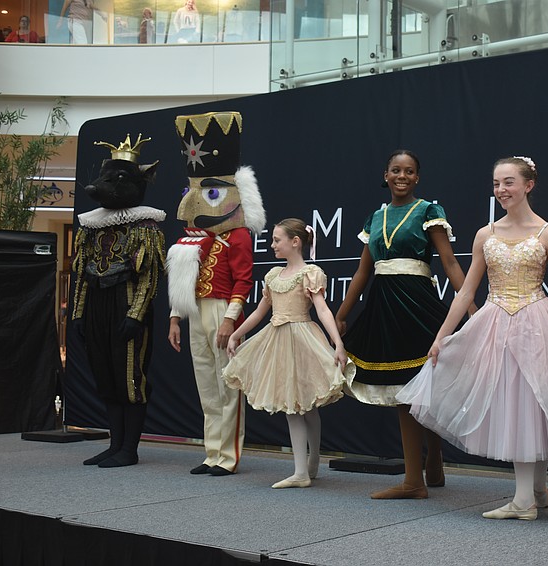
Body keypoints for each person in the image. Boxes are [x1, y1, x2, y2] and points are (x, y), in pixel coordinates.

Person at [397, 156, 548, 520]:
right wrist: (440, 337)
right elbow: (466, 292)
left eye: (509, 182)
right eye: (497, 183)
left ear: (528, 185)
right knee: (518, 405)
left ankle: (526, 500)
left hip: (538, 325)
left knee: (536, 405)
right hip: (496, 323)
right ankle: (536, 492)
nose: (501, 190)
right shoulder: (486, 235)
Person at [334, 150, 473, 500]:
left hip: (416, 303)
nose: (402, 176)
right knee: (407, 388)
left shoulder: (428, 212)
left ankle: (416, 479)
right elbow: (363, 271)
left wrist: (473, 309)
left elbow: (449, 262)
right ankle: (432, 464)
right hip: (384, 305)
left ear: (417, 177)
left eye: (409, 171)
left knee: (413, 386)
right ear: (386, 175)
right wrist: (341, 314)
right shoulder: (375, 217)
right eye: (396, 170)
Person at [167, 111, 266, 476]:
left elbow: (244, 280)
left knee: (228, 385)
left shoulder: (237, 235)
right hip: (196, 310)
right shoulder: (193, 238)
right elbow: (182, 281)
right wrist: (175, 317)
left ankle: (228, 456)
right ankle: (211, 452)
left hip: (223, 310)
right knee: (206, 383)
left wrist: (229, 321)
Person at [223, 218, 355, 488]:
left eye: (276, 240)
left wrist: (338, 343)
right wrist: (236, 333)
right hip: (278, 339)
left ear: (295, 242)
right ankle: (302, 469)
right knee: (293, 405)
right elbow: (260, 312)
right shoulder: (273, 275)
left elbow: (322, 309)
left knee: (307, 406)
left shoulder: (309, 273)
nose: (272, 245)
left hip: (303, 338)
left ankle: (309, 465)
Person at [72, 134, 165, 468]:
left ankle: (129, 449)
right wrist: (79, 313)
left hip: (126, 302)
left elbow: (150, 275)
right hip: (97, 302)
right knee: (106, 375)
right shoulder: (91, 226)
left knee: (129, 377)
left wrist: (136, 314)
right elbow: (81, 272)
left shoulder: (145, 226)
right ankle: (115, 445)